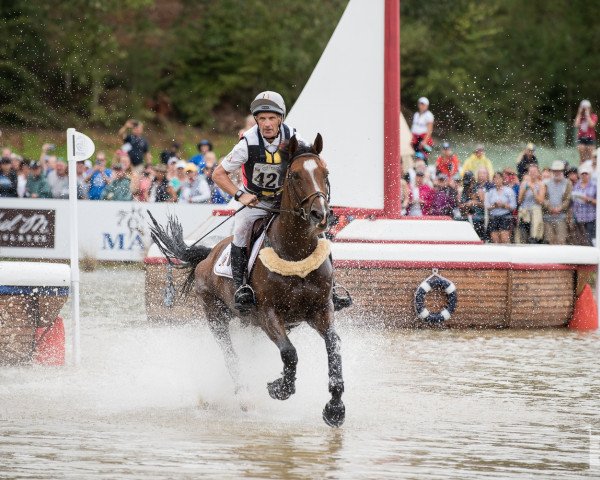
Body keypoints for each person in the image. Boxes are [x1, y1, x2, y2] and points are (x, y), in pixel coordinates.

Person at [213, 91, 351, 312]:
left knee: (319, 232)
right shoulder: (247, 144)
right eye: (262, 119)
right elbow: (218, 174)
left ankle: (332, 288)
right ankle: (242, 288)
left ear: (281, 118)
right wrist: (240, 195)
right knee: (240, 232)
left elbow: (315, 160)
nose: (267, 124)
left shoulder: (293, 138)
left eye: (272, 118)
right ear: (256, 120)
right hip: (255, 202)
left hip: (286, 203)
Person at [541, 161, 572, 245]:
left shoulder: (567, 183)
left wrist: (560, 208)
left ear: (562, 171)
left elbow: (568, 199)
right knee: (550, 241)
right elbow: (543, 198)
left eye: (559, 171)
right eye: (555, 171)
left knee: (561, 241)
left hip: (561, 217)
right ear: (552, 171)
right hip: (548, 216)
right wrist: (550, 208)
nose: (557, 173)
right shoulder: (546, 183)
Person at [485, 172, 517, 243]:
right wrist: (494, 206)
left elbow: (513, 206)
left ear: (502, 179)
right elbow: (487, 206)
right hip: (494, 217)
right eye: (495, 178)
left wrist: (504, 205)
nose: (497, 180)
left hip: (505, 217)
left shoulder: (509, 191)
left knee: (504, 239)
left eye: (498, 178)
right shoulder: (491, 192)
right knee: (495, 240)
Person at [516, 164, 545, 243]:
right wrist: (525, 189)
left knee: (534, 236)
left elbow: (540, 201)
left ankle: (534, 240)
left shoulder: (541, 184)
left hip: (535, 212)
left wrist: (533, 190)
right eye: (531, 172)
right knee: (523, 235)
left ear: (538, 173)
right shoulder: (524, 183)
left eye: (534, 172)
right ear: (528, 173)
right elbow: (519, 200)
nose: (532, 173)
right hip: (524, 212)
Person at [571, 163, 597, 245]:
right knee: (580, 239)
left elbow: (597, 202)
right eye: (582, 174)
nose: (584, 175)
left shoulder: (594, 186)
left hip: (590, 217)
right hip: (579, 217)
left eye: (586, 174)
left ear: (589, 175)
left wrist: (588, 199)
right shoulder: (576, 186)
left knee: (589, 239)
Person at [458, 171, 486, 240]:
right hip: (466, 218)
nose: (469, 186)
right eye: (467, 184)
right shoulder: (463, 191)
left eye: (470, 183)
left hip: (478, 217)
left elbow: (484, 206)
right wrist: (464, 206)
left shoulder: (479, 190)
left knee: (478, 234)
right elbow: (460, 207)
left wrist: (475, 202)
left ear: (473, 181)